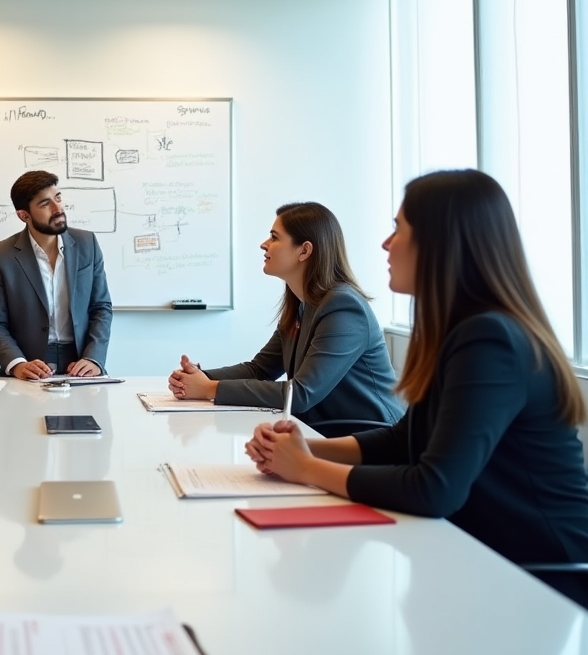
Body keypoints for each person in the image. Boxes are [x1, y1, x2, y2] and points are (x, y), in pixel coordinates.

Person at [247, 170, 588, 608]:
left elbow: (434, 488)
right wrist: (301, 450)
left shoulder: (491, 339)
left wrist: (306, 468)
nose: (386, 244)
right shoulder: (458, 329)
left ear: (440, 243)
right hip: (484, 556)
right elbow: (404, 440)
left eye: (398, 229)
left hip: (543, 577)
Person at [169, 202, 403, 427]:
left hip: (370, 437)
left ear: (304, 250)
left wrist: (208, 388)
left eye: (274, 237)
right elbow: (259, 370)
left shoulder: (344, 307)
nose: (264, 245)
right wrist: (198, 377)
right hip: (324, 431)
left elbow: (301, 394)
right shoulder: (302, 306)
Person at [0, 170, 112, 379]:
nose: (58, 208)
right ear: (24, 215)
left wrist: (93, 358)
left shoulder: (87, 244)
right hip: (28, 365)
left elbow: (101, 307)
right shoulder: (0, 255)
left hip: (81, 363)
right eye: (45, 204)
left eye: (58, 198)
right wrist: (17, 364)